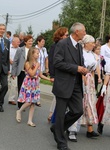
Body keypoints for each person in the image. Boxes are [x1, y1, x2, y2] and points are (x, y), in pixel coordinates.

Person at [51, 22, 87, 150]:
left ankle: (57, 127)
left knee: (78, 111)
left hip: (76, 84)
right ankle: (61, 142)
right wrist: (76, 68)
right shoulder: (62, 44)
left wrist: (83, 69)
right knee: (60, 114)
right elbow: (57, 63)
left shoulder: (80, 46)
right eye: (84, 31)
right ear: (77, 31)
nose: (85, 33)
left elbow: (77, 64)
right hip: (63, 84)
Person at [16, 47, 53, 127]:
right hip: (28, 84)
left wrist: (49, 79)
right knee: (28, 101)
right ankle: (19, 111)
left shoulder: (37, 63)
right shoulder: (27, 63)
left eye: (38, 53)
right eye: (36, 53)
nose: (38, 55)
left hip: (35, 84)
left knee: (33, 103)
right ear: (32, 54)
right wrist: (36, 66)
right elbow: (32, 74)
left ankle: (30, 120)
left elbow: (40, 75)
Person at [81, 34, 100, 138]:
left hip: (90, 80)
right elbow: (81, 68)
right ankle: (70, 126)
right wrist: (84, 81)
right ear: (86, 43)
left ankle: (90, 128)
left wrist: (92, 81)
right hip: (82, 79)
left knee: (90, 103)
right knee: (83, 103)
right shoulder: (81, 53)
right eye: (92, 43)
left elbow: (93, 69)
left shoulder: (92, 54)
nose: (93, 45)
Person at [48, 27, 69, 122]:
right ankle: (52, 114)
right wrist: (52, 75)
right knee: (57, 96)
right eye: (66, 35)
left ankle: (54, 116)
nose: (67, 37)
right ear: (60, 36)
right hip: (57, 74)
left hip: (64, 75)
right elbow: (51, 61)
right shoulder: (54, 46)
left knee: (59, 96)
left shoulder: (67, 46)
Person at [11, 35, 33, 109]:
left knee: (28, 89)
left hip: (30, 73)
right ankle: (20, 104)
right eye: (29, 41)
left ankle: (26, 103)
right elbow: (15, 61)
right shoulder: (20, 50)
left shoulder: (33, 50)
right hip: (22, 72)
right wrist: (13, 73)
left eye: (32, 41)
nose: (31, 42)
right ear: (25, 42)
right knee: (21, 88)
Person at [35, 35, 49, 107]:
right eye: (42, 42)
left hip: (41, 69)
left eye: (44, 42)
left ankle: (35, 98)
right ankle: (37, 100)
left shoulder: (44, 49)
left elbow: (46, 58)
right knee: (36, 85)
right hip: (35, 69)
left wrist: (46, 68)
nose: (43, 43)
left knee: (37, 85)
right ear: (38, 41)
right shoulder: (35, 49)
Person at [8, 37, 20, 105]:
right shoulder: (8, 47)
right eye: (17, 42)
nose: (19, 43)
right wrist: (9, 60)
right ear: (13, 42)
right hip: (8, 69)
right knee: (2, 85)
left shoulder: (19, 49)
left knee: (14, 85)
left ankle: (11, 99)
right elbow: (5, 56)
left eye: (19, 42)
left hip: (15, 70)